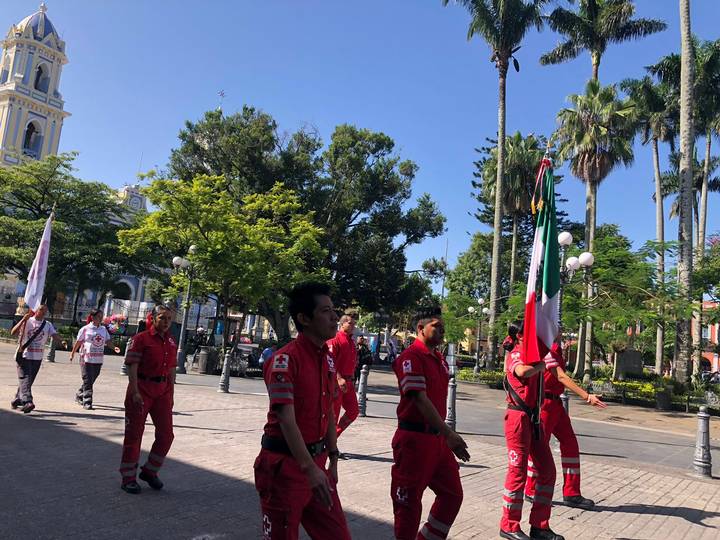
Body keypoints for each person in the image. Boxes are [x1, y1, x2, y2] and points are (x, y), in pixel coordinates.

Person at [253, 281, 351, 540]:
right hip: (285, 468)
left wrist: (333, 457)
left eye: (334, 310)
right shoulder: (284, 360)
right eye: (325, 311)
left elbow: (329, 410)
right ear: (304, 319)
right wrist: (309, 469)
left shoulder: (327, 358)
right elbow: (286, 418)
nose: (334, 316)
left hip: (317, 465)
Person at [390, 307, 470, 540]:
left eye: (442, 325)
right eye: (436, 325)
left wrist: (445, 436)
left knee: (452, 494)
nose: (441, 329)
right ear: (420, 329)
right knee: (409, 505)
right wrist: (449, 434)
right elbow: (419, 399)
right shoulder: (410, 358)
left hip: (437, 440)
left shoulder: (439, 359)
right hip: (414, 440)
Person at [524, 337, 606, 510]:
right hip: (545, 404)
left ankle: (571, 492)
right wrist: (586, 396)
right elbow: (560, 376)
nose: (559, 328)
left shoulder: (557, 349)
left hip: (556, 405)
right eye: (556, 325)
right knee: (540, 447)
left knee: (570, 444)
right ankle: (531, 489)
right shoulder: (545, 349)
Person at [500, 321, 563, 540]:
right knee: (517, 473)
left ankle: (540, 526)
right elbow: (523, 372)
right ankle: (509, 525)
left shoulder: (534, 355)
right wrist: (543, 364)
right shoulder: (516, 354)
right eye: (530, 335)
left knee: (547, 470)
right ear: (519, 337)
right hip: (518, 418)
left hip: (534, 421)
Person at [119, 304, 177, 494]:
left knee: (166, 435)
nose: (166, 322)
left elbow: (171, 370)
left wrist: (171, 393)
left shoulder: (171, 342)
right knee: (135, 434)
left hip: (162, 392)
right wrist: (134, 391)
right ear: (153, 318)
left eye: (169, 318)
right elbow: (132, 367)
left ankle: (150, 471)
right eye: (162, 317)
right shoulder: (141, 339)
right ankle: (128, 477)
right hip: (141, 389)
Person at [10, 305, 64, 414]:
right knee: (25, 378)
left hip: (37, 357)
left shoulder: (47, 324)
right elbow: (13, 332)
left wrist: (61, 341)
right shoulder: (27, 321)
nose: (43, 312)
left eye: (45, 310)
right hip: (24, 355)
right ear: (35, 310)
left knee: (28, 381)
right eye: (41, 309)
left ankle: (17, 399)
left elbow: (54, 334)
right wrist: (23, 320)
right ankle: (28, 402)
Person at [70, 309, 112, 410]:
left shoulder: (103, 329)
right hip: (86, 358)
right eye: (98, 317)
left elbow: (108, 340)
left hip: (98, 358)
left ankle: (80, 394)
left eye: (101, 317)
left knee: (92, 378)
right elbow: (79, 342)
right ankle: (87, 401)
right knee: (87, 378)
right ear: (92, 317)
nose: (100, 319)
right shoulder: (85, 329)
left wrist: (114, 347)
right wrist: (72, 353)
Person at [327, 314, 359, 439]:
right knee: (333, 415)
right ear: (342, 323)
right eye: (350, 323)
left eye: (354, 324)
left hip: (349, 382)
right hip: (337, 382)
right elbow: (329, 361)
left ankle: (334, 436)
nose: (353, 326)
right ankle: (329, 444)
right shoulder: (335, 339)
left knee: (353, 411)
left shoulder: (350, 340)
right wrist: (338, 378)